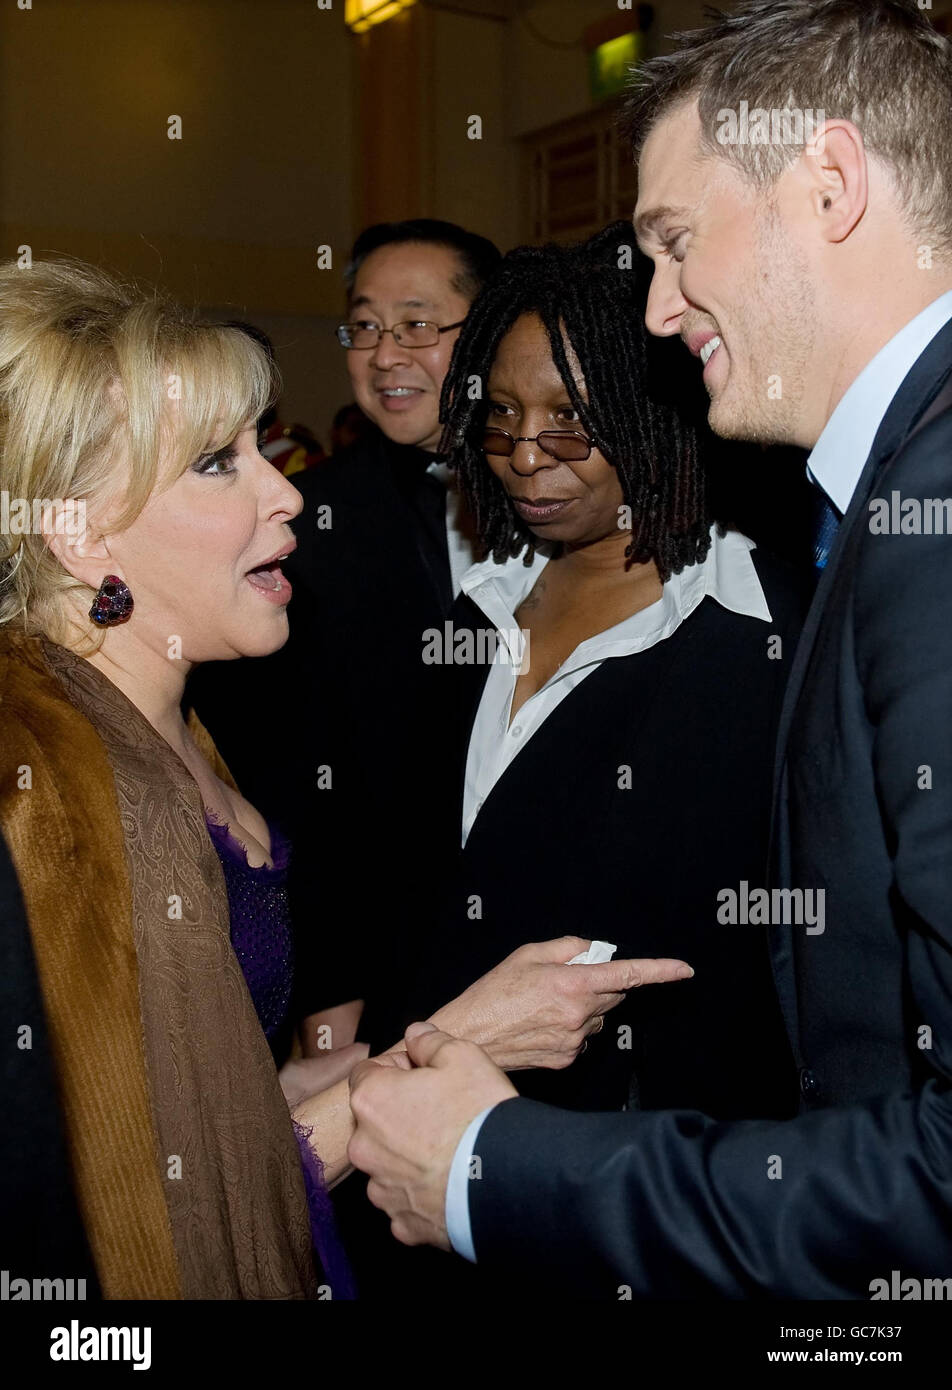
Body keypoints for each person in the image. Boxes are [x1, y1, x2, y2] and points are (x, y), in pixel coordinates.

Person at [347, 0, 952, 1299]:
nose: (666, 308)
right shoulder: (889, 498)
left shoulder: (894, 543)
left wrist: (492, 1164)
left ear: (834, 183)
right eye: (499, 418)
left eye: (677, 244)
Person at [0, 254, 684, 1296]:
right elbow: (157, 1211)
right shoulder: (59, 791)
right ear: (78, 529)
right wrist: (461, 1036)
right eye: (217, 464)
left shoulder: (162, 728)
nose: (286, 490)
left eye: (258, 446)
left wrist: (389, 1048)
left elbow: (210, 1095)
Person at [373, 223, 802, 1130]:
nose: (526, 454)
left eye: (571, 419)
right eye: (500, 414)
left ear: (656, 415)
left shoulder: (764, 635)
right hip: (426, 1131)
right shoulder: (475, 614)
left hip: (645, 1168)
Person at [188, 219, 501, 1059]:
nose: (385, 353)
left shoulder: (574, 500)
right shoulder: (298, 524)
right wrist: (328, 997)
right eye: (364, 327)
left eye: (416, 324)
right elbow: (293, 786)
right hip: (383, 974)